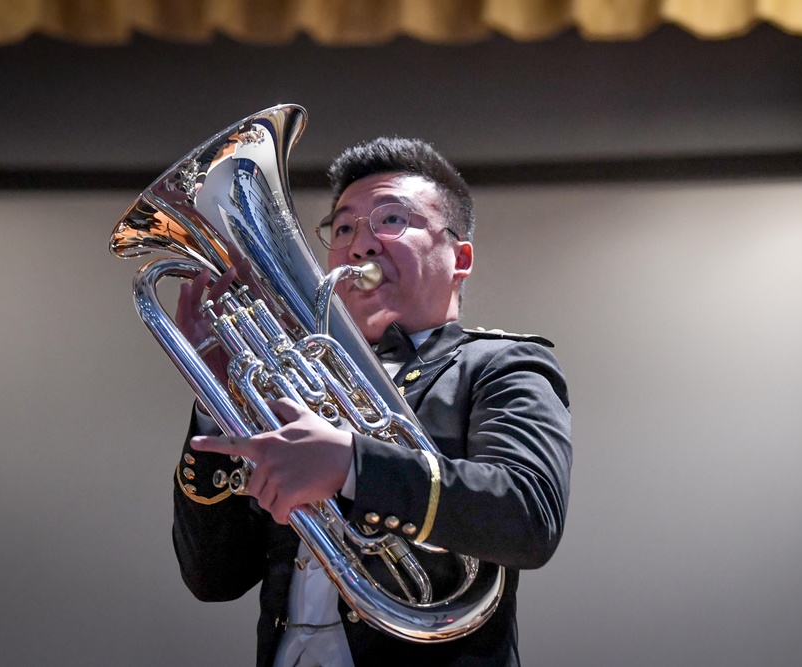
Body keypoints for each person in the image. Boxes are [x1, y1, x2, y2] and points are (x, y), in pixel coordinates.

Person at [171, 137, 572, 667]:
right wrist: (217, 393)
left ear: (460, 257)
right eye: (343, 228)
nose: (360, 245)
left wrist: (350, 465)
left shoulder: (501, 365)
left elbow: (527, 516)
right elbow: (213, 579)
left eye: (391, 220)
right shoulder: (292, 380)